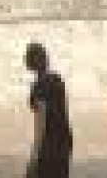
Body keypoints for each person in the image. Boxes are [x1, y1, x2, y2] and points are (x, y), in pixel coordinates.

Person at [24, 42, 73, 178]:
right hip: (65, 138)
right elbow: (62, 112)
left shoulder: (38, 86)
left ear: (30, 63)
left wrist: (34, 156)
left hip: (49, 144)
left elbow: (41, 124)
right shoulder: (58, 79)